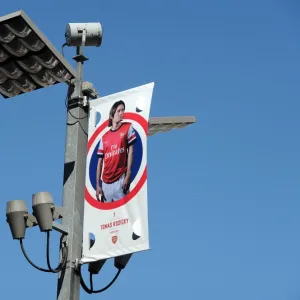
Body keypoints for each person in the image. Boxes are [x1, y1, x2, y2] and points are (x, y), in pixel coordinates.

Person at [96, 100, 136, 202]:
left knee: (123, 214)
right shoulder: (104, 137)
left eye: (123, 110)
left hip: (120, 179)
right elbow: (99, 163)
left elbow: (131, 151)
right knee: (106, 216)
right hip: (105, 184)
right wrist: (97, 185)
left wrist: (128, 175)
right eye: (118, 111)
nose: (121, 113)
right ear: (112, 114)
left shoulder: (128, 127)